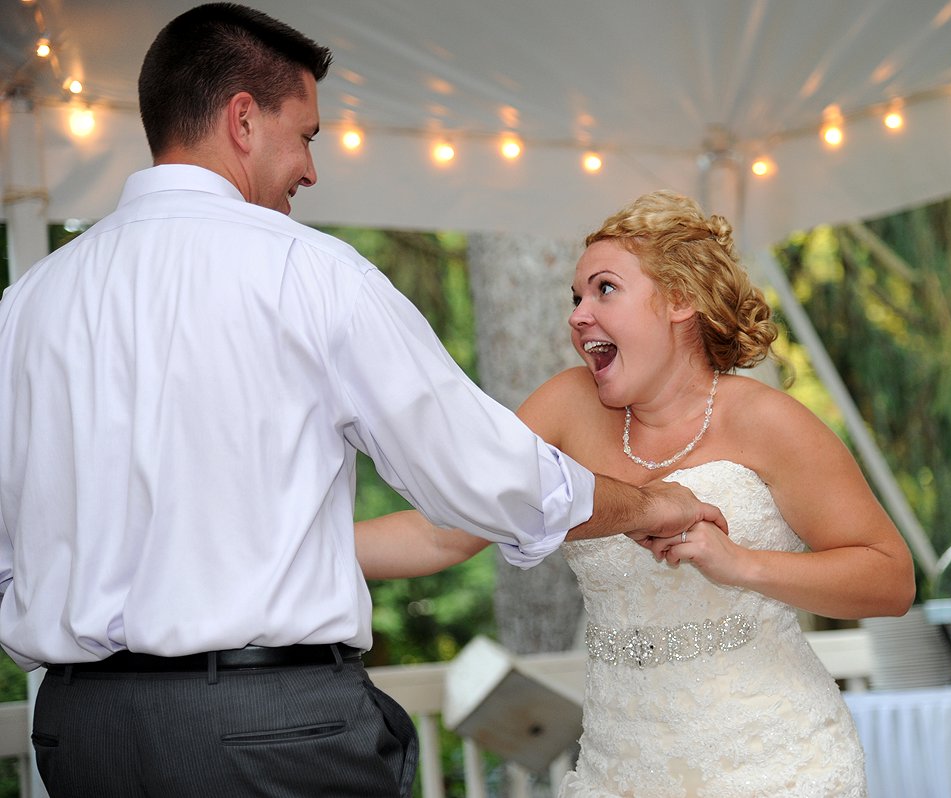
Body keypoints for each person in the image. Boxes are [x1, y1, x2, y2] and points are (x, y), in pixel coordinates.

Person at [0, 6, 723, 797]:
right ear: (243, 119)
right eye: (305, 135)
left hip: (79, 736)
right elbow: (480, 472)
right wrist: (648, 506)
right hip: (268, 731)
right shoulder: (309, 272)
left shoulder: (26, 305)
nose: (310, 170)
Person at [369, 190, 915, 796]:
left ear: (680, 299)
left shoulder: (770, 422)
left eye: (604, 289)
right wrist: (291, 544)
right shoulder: (567, 407)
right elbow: (441, 528)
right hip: (621, 770)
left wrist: (741, 565)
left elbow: (891, 580)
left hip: (774, 765)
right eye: (575, 297)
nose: (578, 315)